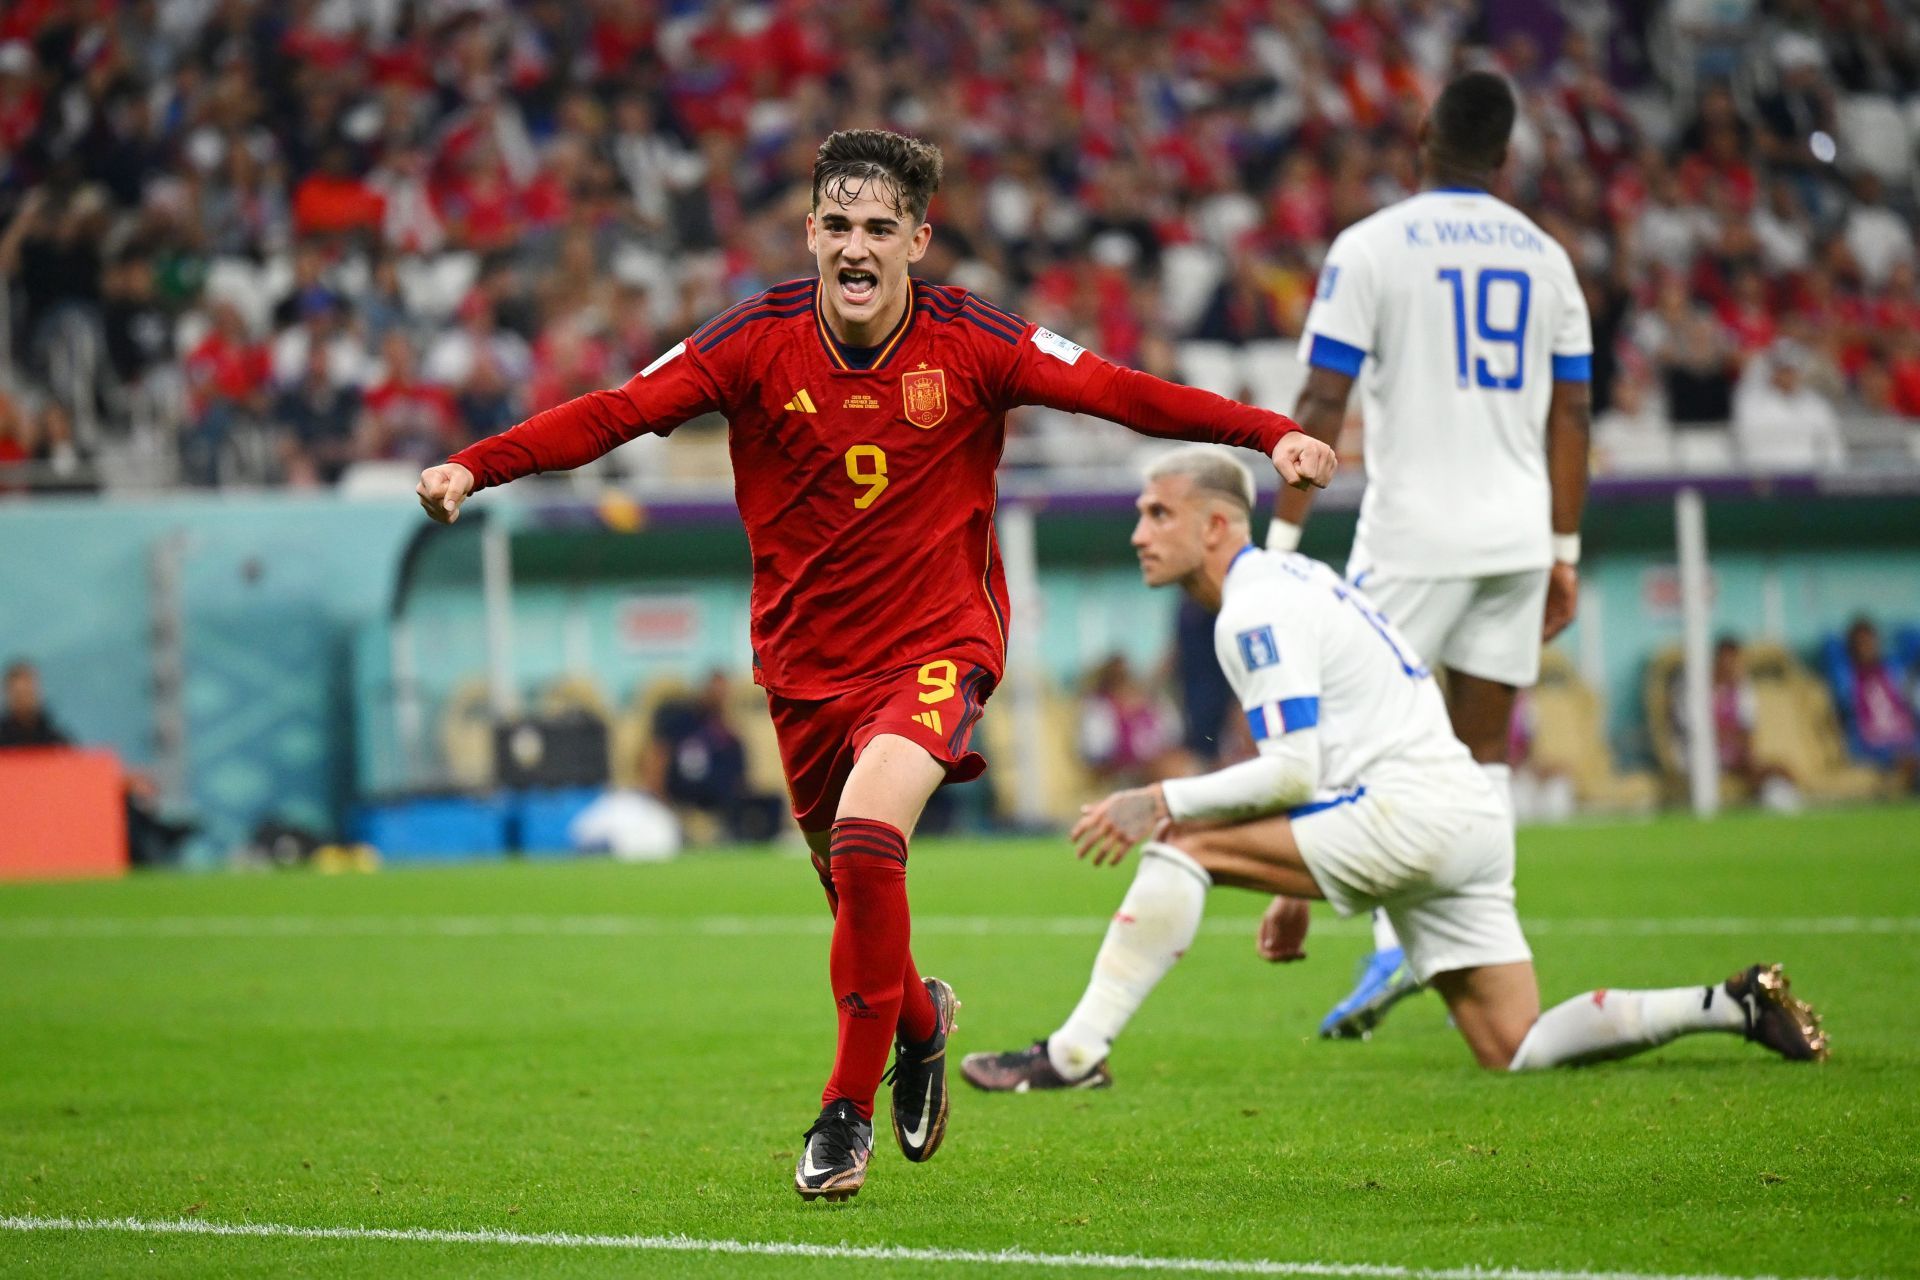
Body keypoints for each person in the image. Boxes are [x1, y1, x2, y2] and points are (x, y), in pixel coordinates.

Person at [413, 129, 1337, 1202]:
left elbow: (1122, 391)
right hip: (805, 666)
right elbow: (618, 412)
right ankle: (921, 1019)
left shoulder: (975, 340)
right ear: (811, 233)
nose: (857, 246)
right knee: (850, 888)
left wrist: (1269, 433)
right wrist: (475, 465)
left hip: (938, 644)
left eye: (879, 228)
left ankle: (843, 1110)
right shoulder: (752, 341)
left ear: (917, 239)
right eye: (838, 226)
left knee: (866, 835)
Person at [960, 448, 1826, 1094]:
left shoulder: (1250, 614)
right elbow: (1329, 753)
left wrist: (1155, 800)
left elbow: (1296, 771)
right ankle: (1729, 1004)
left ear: (1217, 526)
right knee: (1515, 1043)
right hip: (1465, 819)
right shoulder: (1296, 582)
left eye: (1158, 515)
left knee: (1184, 842)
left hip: (1407, 816)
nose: (1138, 533)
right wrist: (1290, 888)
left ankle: (1072, 1057)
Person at [1262, 71, 1594, 1039]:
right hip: (1519, 535)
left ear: (1420, 133)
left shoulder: (1371, 246)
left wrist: (1282, 538)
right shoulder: (1548, 257)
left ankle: (1385, 946)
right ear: (1507, 156)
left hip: (1413, 534)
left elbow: (1323, 402)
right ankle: (1484, 942)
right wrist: (1563, 549)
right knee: (1482, 750)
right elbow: (1572, 411)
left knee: (1355, 733)